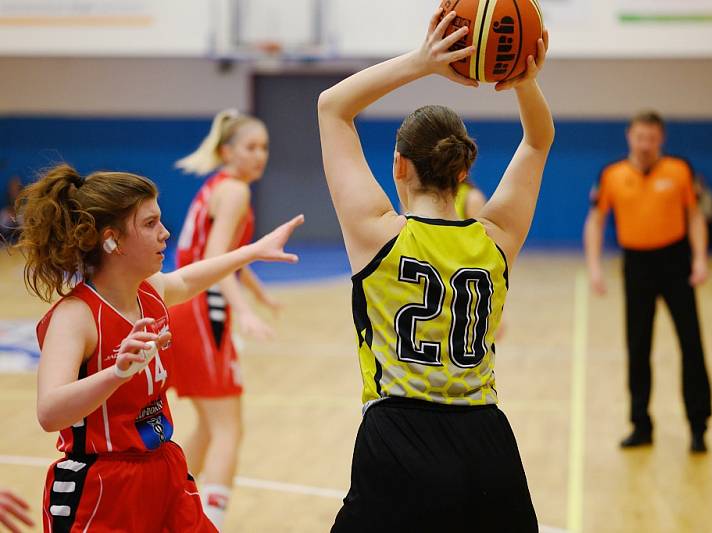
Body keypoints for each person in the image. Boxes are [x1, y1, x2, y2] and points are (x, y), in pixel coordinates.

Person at [318, 9, 552, 531]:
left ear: (399, 164)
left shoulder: (377, 234)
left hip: (398, 435)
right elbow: (537, 142)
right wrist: (524, 81)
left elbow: (332, 108)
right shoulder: (496, 239)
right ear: (464, 171)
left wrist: (425, 61)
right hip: (486, 440)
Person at [14, 164, 302, 531]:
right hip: (102, 486)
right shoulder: (76, 316)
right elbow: (50, 412)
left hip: (164, 468)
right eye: (150, 224)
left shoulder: (151, 291)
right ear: (111, 240)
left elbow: (187, 278)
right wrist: (117, 373)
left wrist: (251, 252)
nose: (165, 233)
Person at [169, 109, 279, 530]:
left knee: (211, 425)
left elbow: (230, 254)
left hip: (185, 304)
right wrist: (245, 312)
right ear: (227, 151)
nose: (260, 155)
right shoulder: (235, 191)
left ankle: (169, 503)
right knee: (229, 428)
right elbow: (216, 260)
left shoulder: (220, 186)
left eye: (265, 148)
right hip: (200, 309)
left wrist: (258, 293)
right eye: (251, 147)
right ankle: (209, 522)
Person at [583, 111, 712, 453]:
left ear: (661, 139)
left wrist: (700, 259)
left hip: (675, 262)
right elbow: (595, 222)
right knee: (638, 348)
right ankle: (641, 424)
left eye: (652, 138)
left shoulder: (680, 170)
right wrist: (594, 267)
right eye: (640, 137)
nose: (645, 144)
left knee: (691, 344)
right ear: (629, 136)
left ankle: (698, 426)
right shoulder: (612, 174)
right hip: (636, 266)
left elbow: (695, 216)